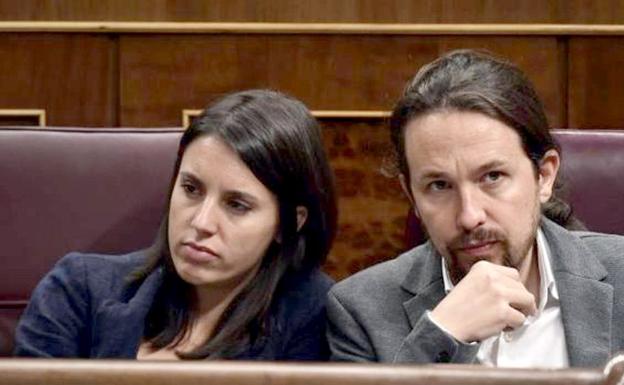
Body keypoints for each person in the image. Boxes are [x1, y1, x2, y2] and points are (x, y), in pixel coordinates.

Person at [326, 50, 624, 368]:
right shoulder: (361, 311)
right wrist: (439, 336)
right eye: (439, 186)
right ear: (410, 195)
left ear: (544, 176)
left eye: (492, 177)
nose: (469, 216)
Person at [15, 89, 338, 360]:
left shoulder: (316, 316)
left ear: (288, 224)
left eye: (237, 205)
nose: (201, 222)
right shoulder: (77, 291)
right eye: (191, 189)